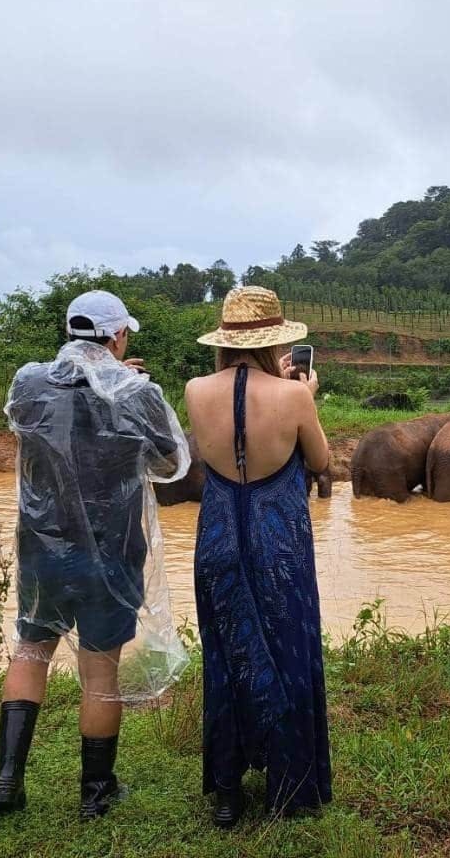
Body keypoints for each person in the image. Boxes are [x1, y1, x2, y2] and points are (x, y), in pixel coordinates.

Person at [0, 289, 190, 820]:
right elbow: (171, 462)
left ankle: (7, 781)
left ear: (71, 329)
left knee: (31, 649)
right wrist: (134, 387)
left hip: (43, 546)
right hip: (112, 550)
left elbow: (31, 423)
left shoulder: (28, 382)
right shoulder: (138, 393)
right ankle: (95, 795)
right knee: (99, 671)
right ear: (118, 336)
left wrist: (118, 381)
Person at [184, 286, 332, 827]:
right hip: (280, 545)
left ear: (224, 340)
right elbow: (320, 460)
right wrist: (306, 393)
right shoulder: (295, 396)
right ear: (277, 341)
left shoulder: (195, 389)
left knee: (227, 654)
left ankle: (227, 793)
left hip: (218, 538)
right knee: (288, 647)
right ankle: (289, 787)